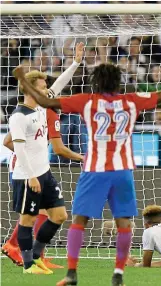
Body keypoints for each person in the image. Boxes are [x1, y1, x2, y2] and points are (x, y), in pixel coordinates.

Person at [13, 47, 161, 286]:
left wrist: (21, 79)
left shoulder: (87, 101)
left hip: (94, 170)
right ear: (118, 82)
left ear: (95, 82)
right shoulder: (131, 101)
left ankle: (71, 273)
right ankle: (119, 273)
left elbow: (45, 100)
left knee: (79, 220)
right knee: (124, 223)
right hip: (122, 170)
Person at [4, 43, 85, 274]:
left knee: (59, 215)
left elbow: (60, 84)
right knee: (27, 219)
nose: (48, 88)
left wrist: (76, 62)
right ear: (31, 89)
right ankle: (28, 265)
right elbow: (17, 148)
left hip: (44, 173)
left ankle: (37, 256)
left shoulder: (41, 106)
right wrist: (30, 175)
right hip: (27, 175)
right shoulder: (19, 116)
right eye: (43, 85)